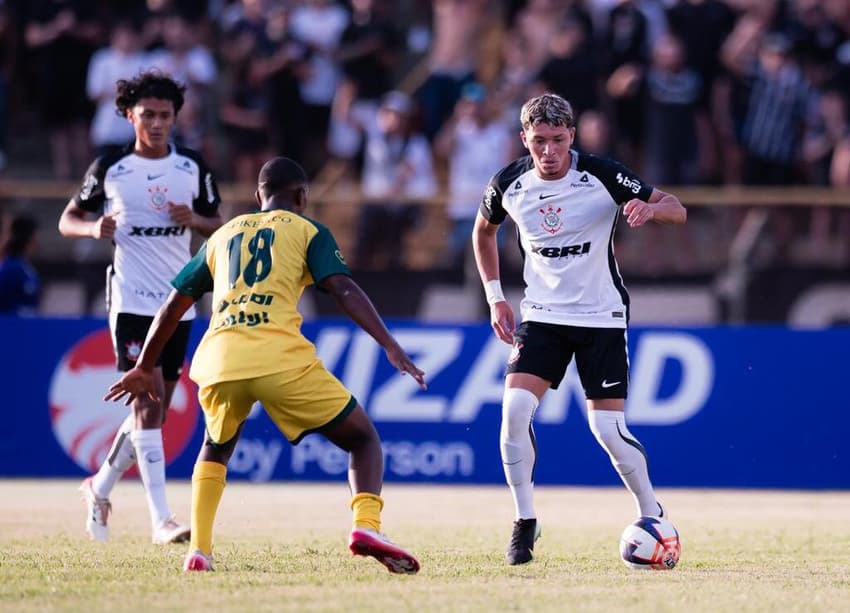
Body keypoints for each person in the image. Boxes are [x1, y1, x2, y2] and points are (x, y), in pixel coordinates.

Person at [104, 157, 425, 574]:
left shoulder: (222, 235)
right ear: (303, 197)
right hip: (278, 358)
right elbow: (342, 288)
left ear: (258, 197)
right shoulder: (309, 230)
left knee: (216, 447)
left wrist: (145, 365)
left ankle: (199, 549)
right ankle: (366, 526)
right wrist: (389, 344)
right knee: (362, 440)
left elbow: (173, 303)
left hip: (220, 358)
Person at [471, 93, 687, 565]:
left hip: (600, 317)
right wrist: (495, 298)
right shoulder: (509, 183)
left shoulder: (603, 174)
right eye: (539, 141)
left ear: (572, 135)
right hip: (542, 317)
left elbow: (676, 207)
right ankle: (525, 521)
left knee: (607, 431)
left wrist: (650, 210)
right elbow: (483, 231)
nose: (548, 151)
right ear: (524, 139)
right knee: (512, 415)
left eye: (557, 139)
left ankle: (652, 513)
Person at [58, 70, 223, 544]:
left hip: (180, 303)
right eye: (147, 114)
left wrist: (196, 219)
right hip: (131, 301)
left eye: (164, 116)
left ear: (175, 118)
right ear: (129, 115)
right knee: (147, 406)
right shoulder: (111, 167)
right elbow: (67, 218)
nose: (156, 123)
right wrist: (93, 230)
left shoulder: (192, 167)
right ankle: (161, 520)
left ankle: (98, 486)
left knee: (152, 415)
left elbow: (221, 224)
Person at [0, 215, 41, 315]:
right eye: (36, 236)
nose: (38, 241)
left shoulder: (26, 268)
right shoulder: (10, 269)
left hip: (26, 327)